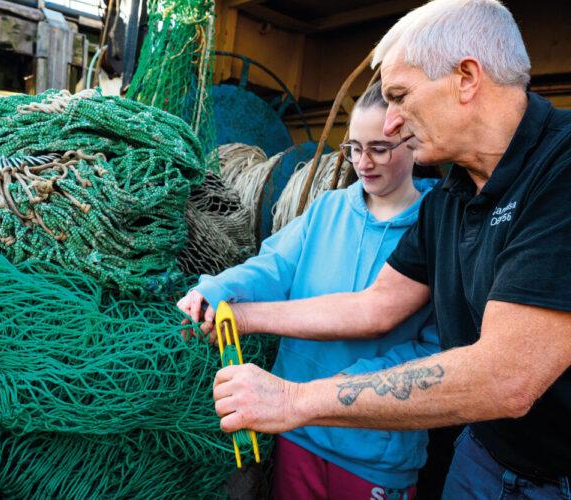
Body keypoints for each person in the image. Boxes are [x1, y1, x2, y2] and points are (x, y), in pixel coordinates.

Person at [207, 1, 571, 499]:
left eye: (399, 96)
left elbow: (506, 377)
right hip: (481, 456)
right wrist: (242, 315)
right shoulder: (448, 199)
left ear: (467, 78)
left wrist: (293, 399)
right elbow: (375, 306)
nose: (392, 124)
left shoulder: (561, 172)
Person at [178, 81, 440, 499]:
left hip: (376, 452)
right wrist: (220, 287)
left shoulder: (439, 224)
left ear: (414, 142)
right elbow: (275, 265)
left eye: (379, 148)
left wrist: (340, 389)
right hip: (297, 433)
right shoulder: (328, 209)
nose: (363, 162)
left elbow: (435, 349)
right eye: (353, 148)